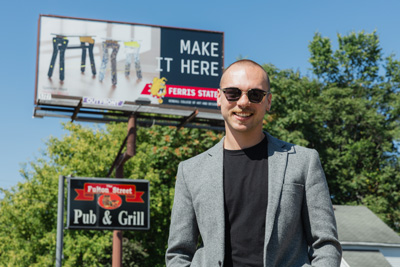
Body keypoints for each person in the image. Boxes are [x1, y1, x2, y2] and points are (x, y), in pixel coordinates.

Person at [166, 59, 342, 266]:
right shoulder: (191, 171)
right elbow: (178, 253)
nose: (243, 102)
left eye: (255, 95)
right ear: (219, 98)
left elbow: (326, 245)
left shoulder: (303, 161)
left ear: (268, 102)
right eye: (233, 93)